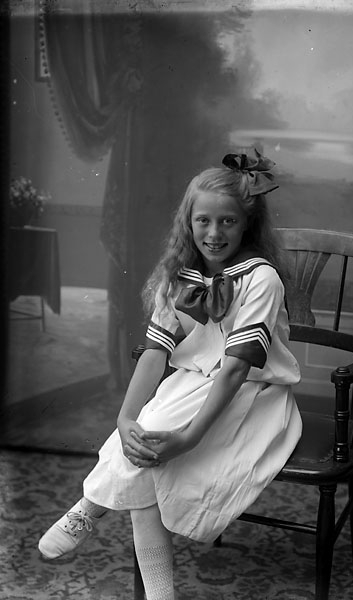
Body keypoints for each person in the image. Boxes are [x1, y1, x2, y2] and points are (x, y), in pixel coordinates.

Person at [38, 149, 302, 600]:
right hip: (192, 383)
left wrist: (189, 439)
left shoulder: (261, 279)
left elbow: (237, 369)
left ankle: (89, 507)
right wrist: (124, 418)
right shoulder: (180, 274)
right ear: (188, 221)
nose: (214, 233)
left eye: (228, 222)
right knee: (144, 434)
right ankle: (158, 590)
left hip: (252, 392)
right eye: (203, 221)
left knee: (157, 442)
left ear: (247, 224)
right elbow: (155, 353)